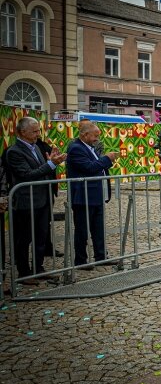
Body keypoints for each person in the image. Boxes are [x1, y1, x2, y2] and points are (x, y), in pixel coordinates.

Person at [5, 118, 67, 282]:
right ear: (21, 132)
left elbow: (41, 170)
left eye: (38, 130)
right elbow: (27, 175)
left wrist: (51, 162)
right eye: (34, 131)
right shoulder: (14, 151)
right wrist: (50, 164)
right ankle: (24, 273)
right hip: (26, 201)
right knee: (24, 239)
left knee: (41, 236)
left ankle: (38, 269)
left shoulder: (36, 148)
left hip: (42, 200)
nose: (38, 134)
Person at [66, 121, 119, 269]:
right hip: (83, 197)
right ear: (84, 134)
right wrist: (107, 158)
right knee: (82, 230)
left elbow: (97, 167)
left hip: (96, 195)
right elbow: (89, 168)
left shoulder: (91, 147)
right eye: (95, 135)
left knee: (98, 228)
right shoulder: (76, 148)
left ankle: (101, 256)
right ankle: (81, 261)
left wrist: (107, 160)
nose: (97, 138)